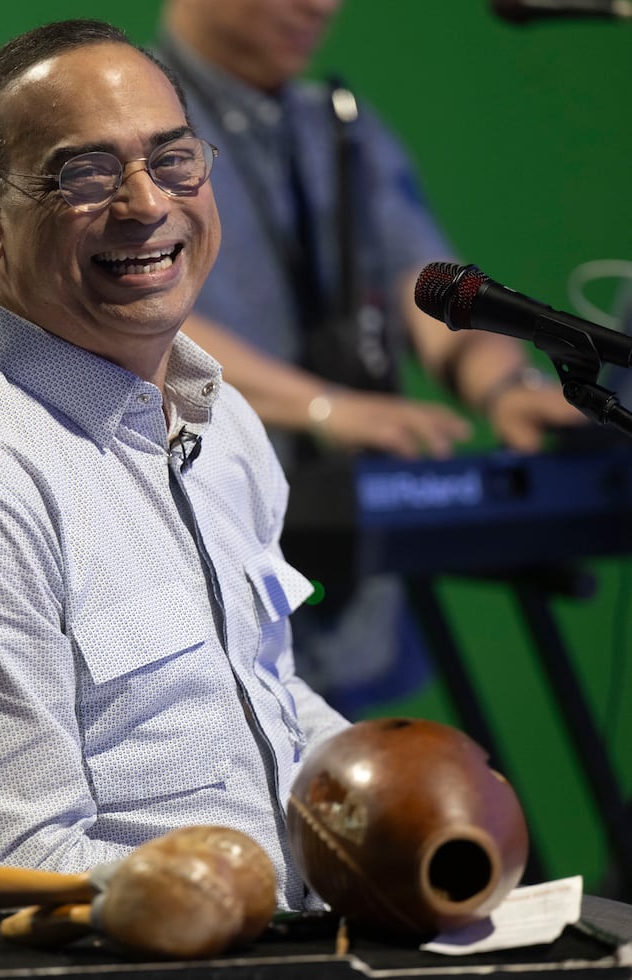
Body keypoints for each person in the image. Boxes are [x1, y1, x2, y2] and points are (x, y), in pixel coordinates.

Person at [0, 18, 349, 917]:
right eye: (85, 175)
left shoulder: (225, 426)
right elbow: (12, 869)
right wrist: (241, 905)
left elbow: (261, 686)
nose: (146, 204)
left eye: (174, 160)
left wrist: (386, 775)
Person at [154, 0, 583, 713]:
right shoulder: (131, 127)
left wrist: (504, 387)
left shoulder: (340, 125)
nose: (322, 5)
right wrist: (325, 409)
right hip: (199, 565)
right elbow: (144, 320)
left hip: (346, 582)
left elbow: (431, 284)